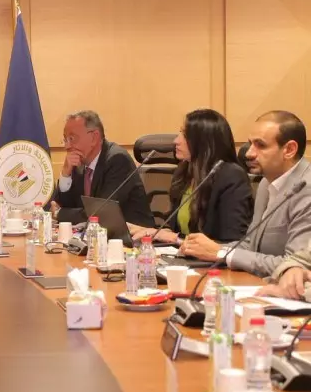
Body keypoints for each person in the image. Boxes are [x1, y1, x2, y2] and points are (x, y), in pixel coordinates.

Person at [182, 111, 311, 277]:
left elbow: (296, 267)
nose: (249, 153)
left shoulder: (306, 190)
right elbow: (251, 244)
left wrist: (221, 253)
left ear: (289, 150)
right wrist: (203, 249)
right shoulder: (266, 183)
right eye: (250, 144)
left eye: (260, 145)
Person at [128, 109, 253, 244]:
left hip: (213, 257)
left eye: (185, 135)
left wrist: (174, 238)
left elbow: (232, 242)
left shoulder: (232, 177)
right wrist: (152, 232)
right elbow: (176, 231)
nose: (176, 141)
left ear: (204, 142)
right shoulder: (184, 172)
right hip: (180, 254)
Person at [50, 111, 153, 227]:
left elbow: (101, 214)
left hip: (135, 235)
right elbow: (59, 204)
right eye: (65, 140)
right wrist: (65, 174)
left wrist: (59, 213)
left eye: (72, 139)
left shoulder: (117, 160)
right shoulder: (78, 161)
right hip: (95, 233)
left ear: (94, 137)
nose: (67, 146)